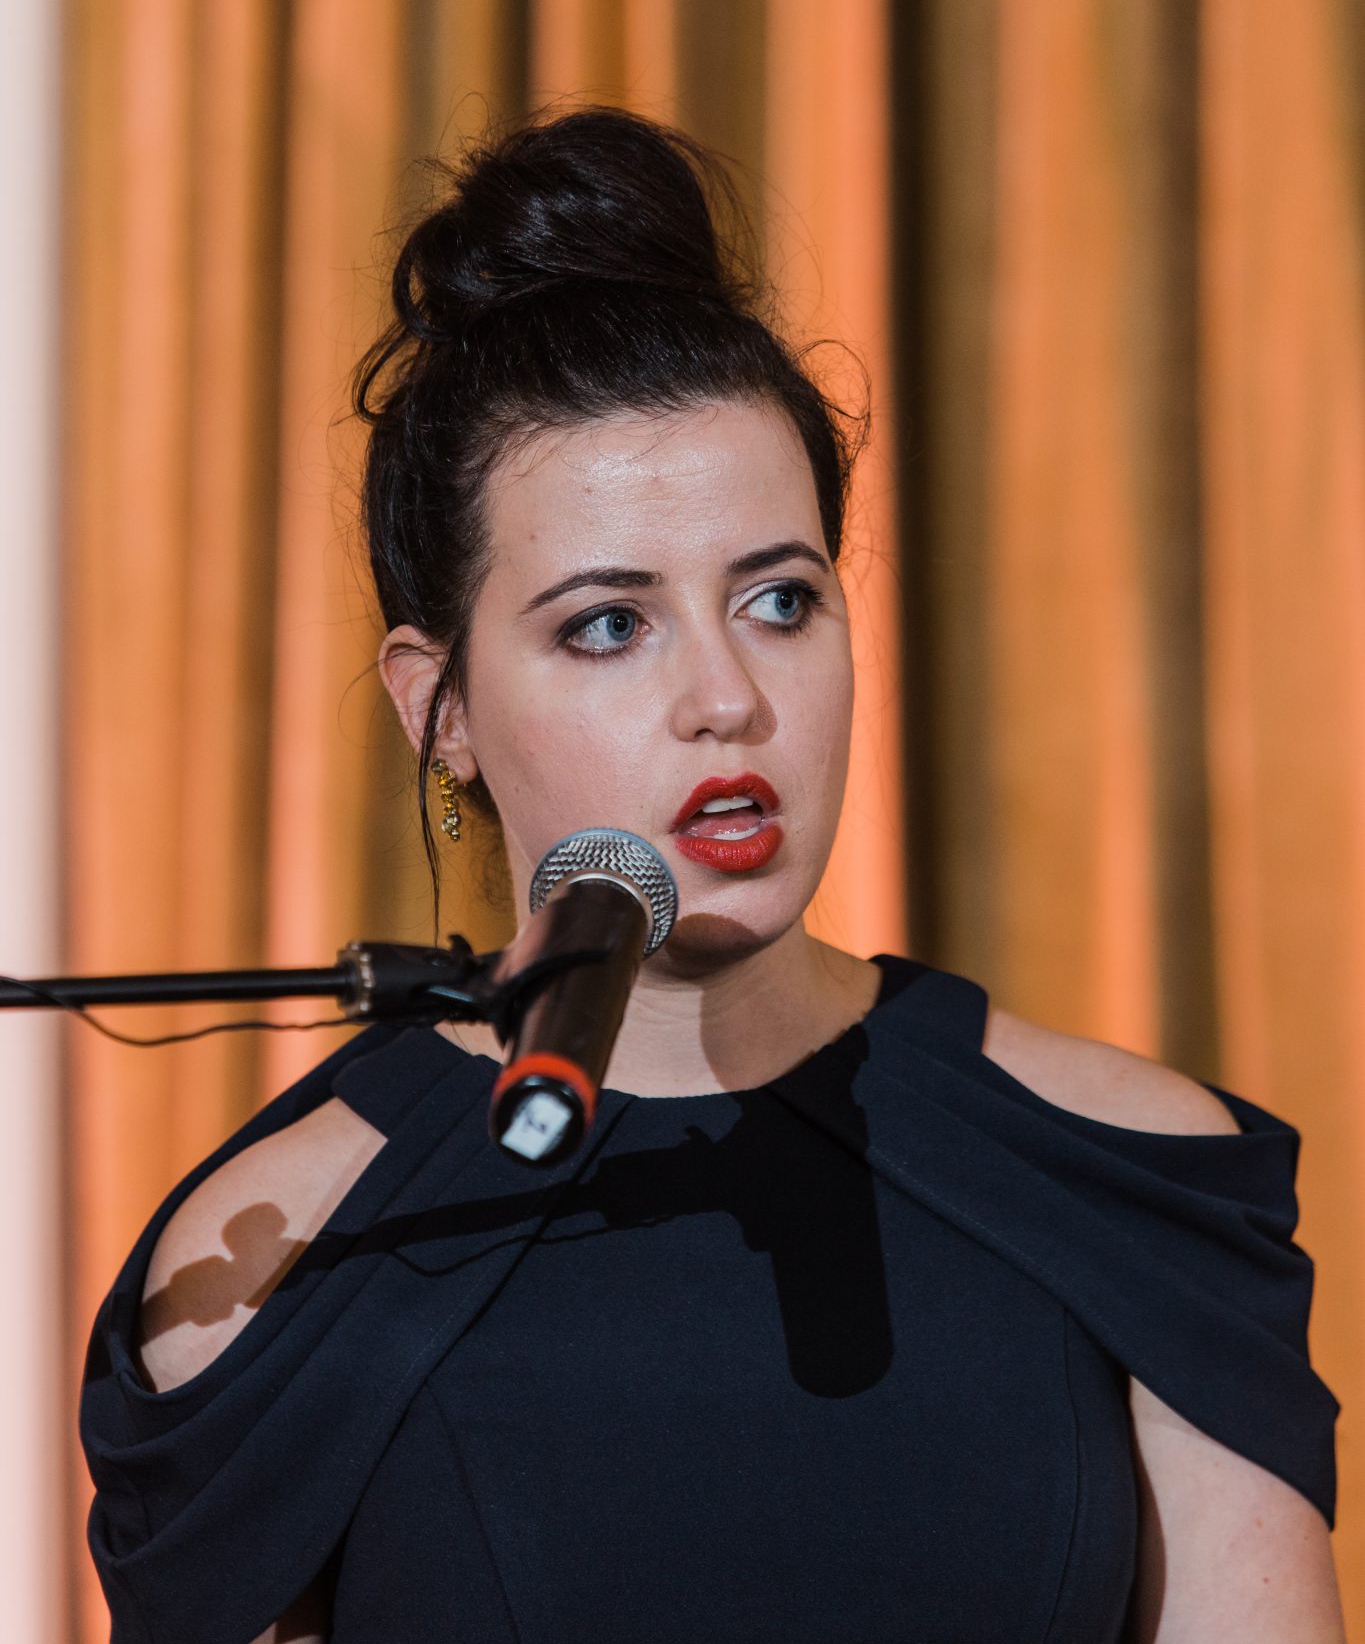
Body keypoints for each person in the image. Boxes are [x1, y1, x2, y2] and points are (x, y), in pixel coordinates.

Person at [80, 106, 1345, 1643]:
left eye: (779, 600)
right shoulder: (274, 1268)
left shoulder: (1129, 1176)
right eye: (608, 625)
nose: (726, 699)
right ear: (440, 707)